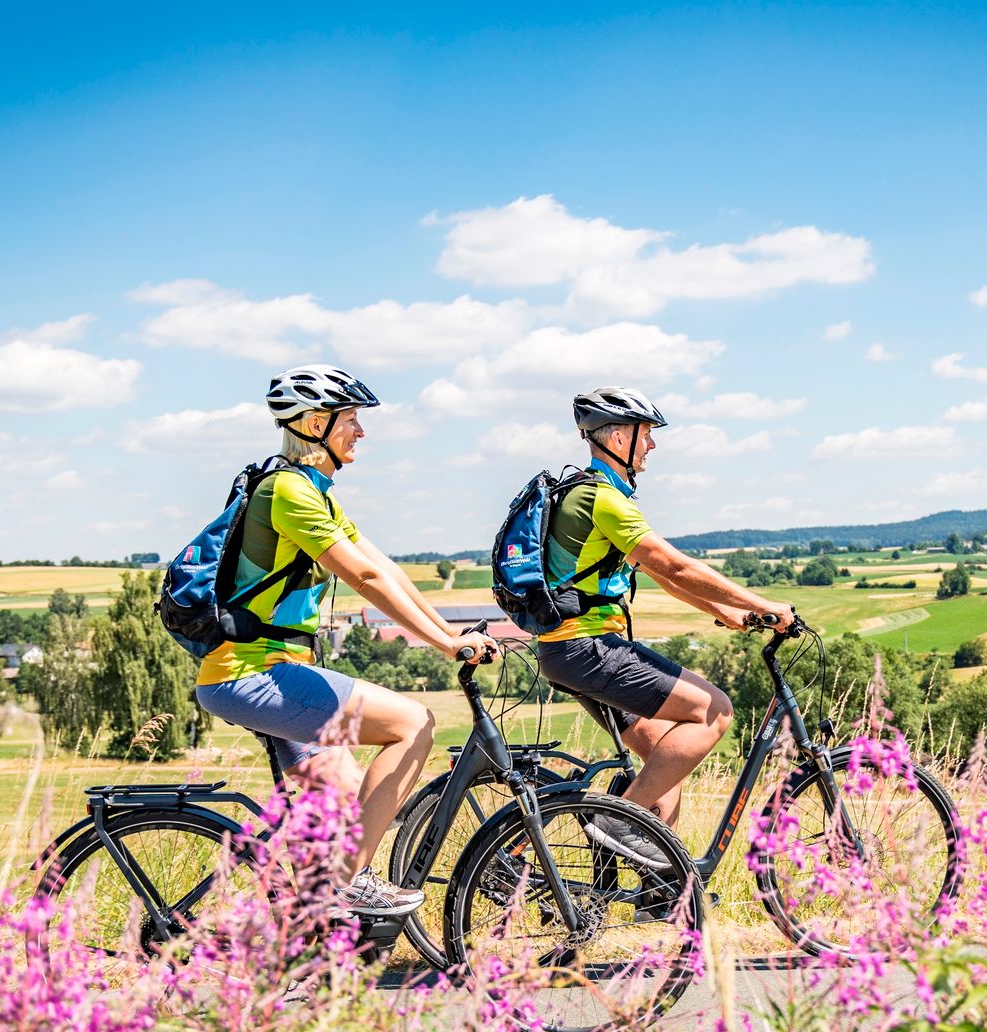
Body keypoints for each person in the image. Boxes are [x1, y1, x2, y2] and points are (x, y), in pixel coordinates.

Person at [193, 364, 499, 917]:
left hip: (269, 673)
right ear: (314, 423)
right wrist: (443, 645)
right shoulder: (288, 491)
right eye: (351, 419)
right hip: (253, 674)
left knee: (347, 805)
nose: (360, 431)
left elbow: (386, 568)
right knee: (413, 725)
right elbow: (365, 580)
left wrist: (451, 630)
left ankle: (298, 946)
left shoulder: (314, 492)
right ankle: (346, 885)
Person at [536, 387, 794, 903]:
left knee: (665, 751)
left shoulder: (594, 496)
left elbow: (659, 574)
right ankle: (621, 824)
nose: (651, 446)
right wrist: (767, 603)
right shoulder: (599, 498)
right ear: (616, 436)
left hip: (568, 652)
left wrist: (726, 611)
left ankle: (663, 885)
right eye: (645, 434)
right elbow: (675, 563)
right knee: (713, 713)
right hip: (589, 648)